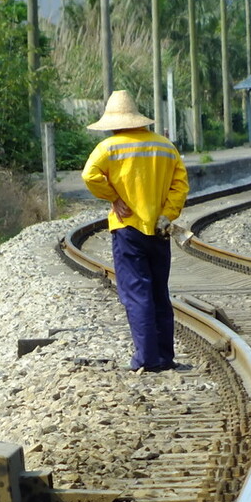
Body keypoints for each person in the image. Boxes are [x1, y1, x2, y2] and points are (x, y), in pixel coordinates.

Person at [82, 90, 189, 372]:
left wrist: (114, 197)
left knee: (136, 292)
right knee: (158, 293)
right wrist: (167, 214)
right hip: (159, 229)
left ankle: (146, 358)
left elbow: (89, 175)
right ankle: (165, 357)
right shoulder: (165, 147)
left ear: (114, 122)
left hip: (128, 228)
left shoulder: (108, 148)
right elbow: (180, 185)